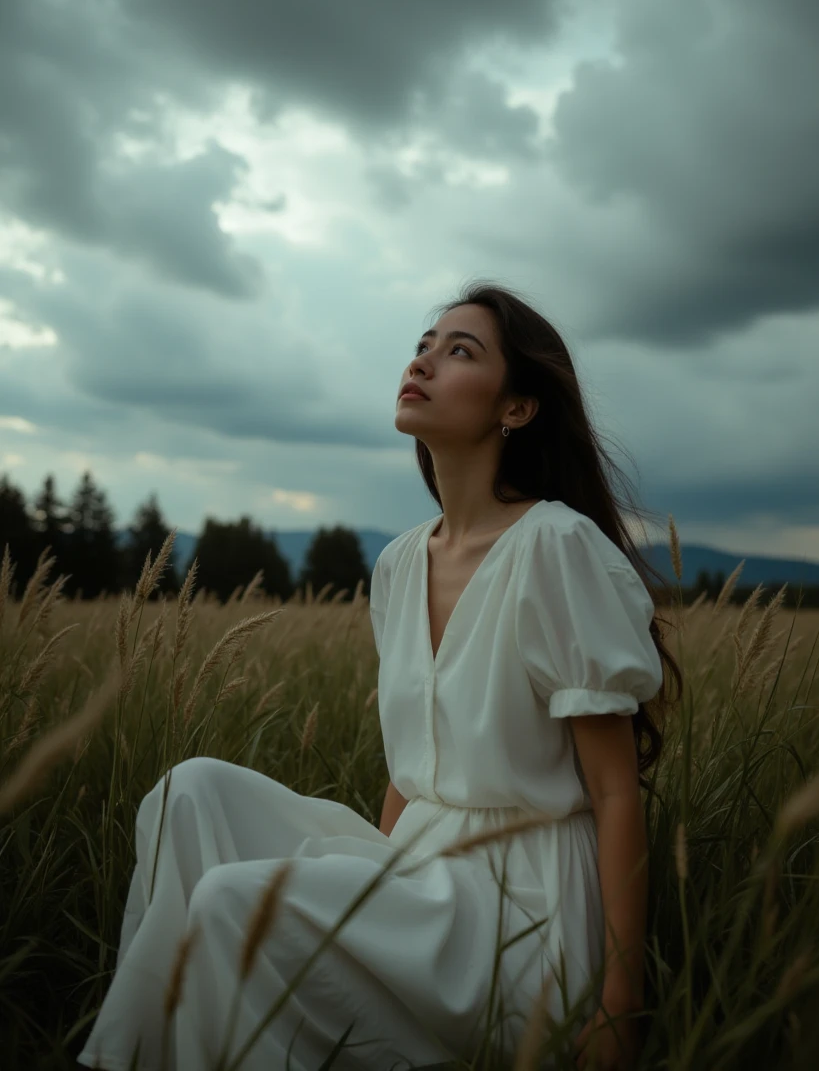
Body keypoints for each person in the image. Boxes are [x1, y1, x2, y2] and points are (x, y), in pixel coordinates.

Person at [77, 280, 681, 1071]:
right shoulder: (399, 563)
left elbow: (613, 792)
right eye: (424, 344)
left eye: (460, 351)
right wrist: (371, 894)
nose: (424, 360)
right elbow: (410, 770)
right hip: (421, 876)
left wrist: (617, 1005)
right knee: (188, 792)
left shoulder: (555, 549)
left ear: (518, 408)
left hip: (520, 913)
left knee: (236, 904)